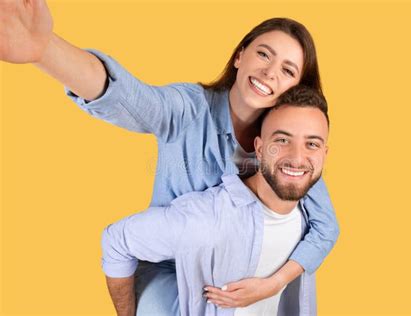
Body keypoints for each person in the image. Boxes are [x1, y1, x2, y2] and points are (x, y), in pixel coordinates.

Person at [0, 1, 339, 313]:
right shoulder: (189, 109)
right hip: (171, 272)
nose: (270, 73)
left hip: (242, 275)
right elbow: (131, 99)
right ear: (240, 55)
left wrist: (272, 285)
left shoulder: (287, 149)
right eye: (264, 54)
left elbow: (325, 227)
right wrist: (45, 50)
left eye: (287, 70)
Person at [102, 85, 331, 315]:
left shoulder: (307, 217)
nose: (297, 157)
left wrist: (274, 283)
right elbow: (116, 240)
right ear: (259, 149)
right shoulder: (206, 218)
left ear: (324, 154)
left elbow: (328, 232)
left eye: (312, 144)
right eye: (282, 140)